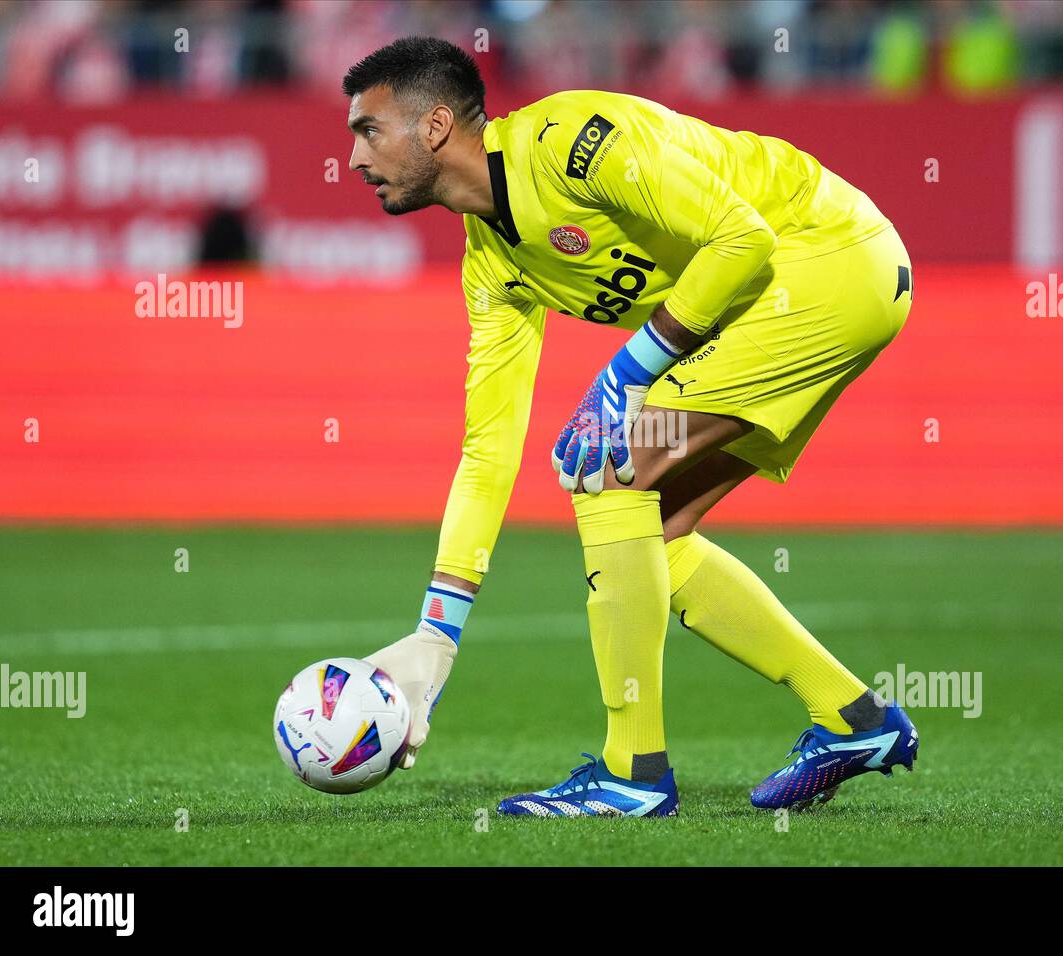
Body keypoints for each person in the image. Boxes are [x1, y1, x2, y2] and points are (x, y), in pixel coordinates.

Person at [348, 36, 918, 817]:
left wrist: (627, 370)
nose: (353, 156)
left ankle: (633, 773)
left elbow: (741, 239)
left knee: (610, 470)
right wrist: (434, 636)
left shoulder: (574, 143)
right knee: (657, 527)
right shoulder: (493, 265)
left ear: (437, 125)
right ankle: (854, 719)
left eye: (369, 130)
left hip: (823, 259)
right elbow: (489, 451)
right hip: (807, 292)